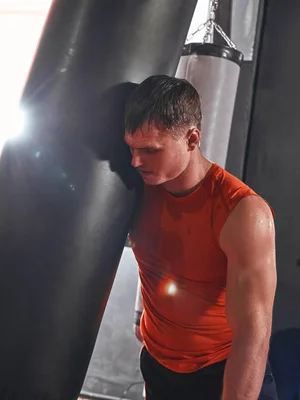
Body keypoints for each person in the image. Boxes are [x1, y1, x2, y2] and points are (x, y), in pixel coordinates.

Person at [124, 75, 278, 400]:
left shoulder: (242, 213)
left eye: (150, 150)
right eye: (132, 149)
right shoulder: (135, 187)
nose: (136, 161)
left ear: (192, 139)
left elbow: (253, 337)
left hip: (221, 374)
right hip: (157, 366)